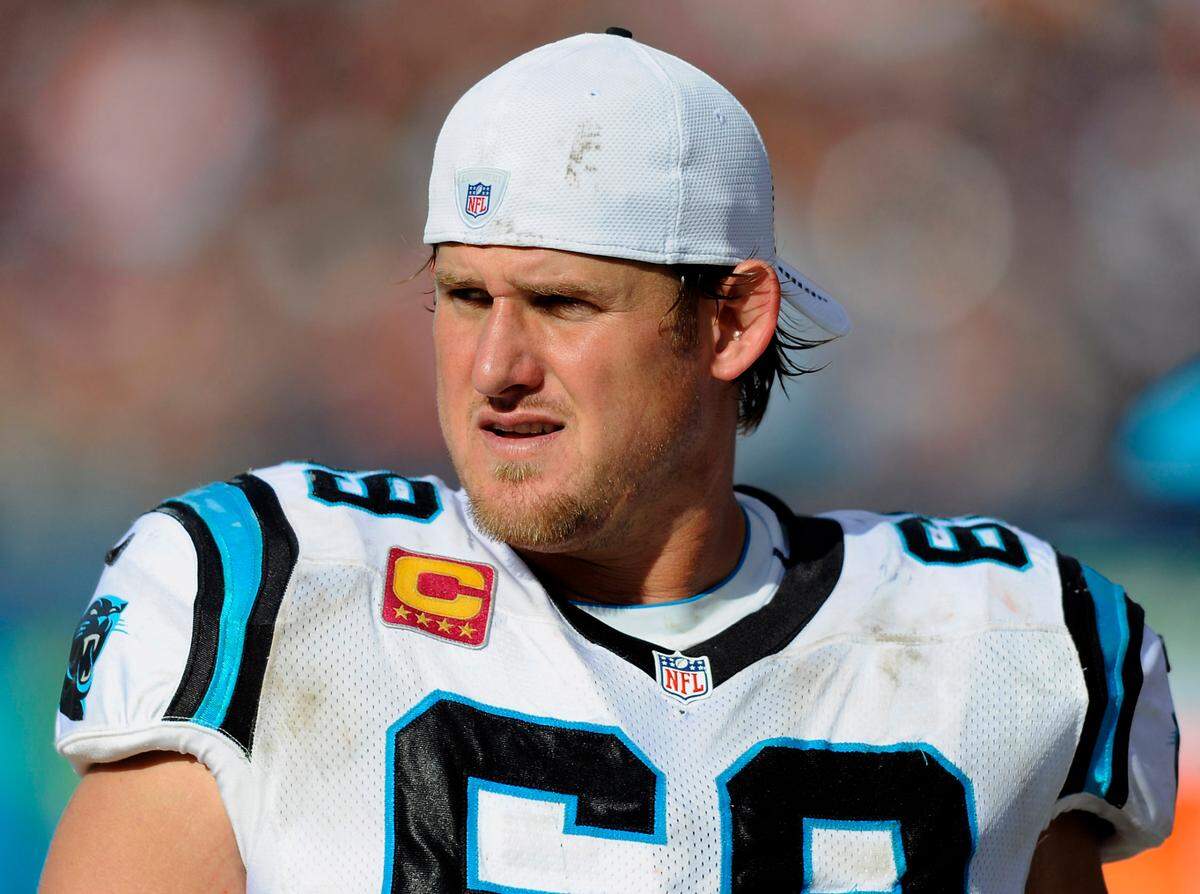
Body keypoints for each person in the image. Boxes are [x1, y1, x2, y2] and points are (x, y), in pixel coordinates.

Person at [42, 29, 1176, 893]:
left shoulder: (1000, 644)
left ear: (732, 321)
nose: (495, 367)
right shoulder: (272, 593)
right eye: (463, 297)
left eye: (562, 304)